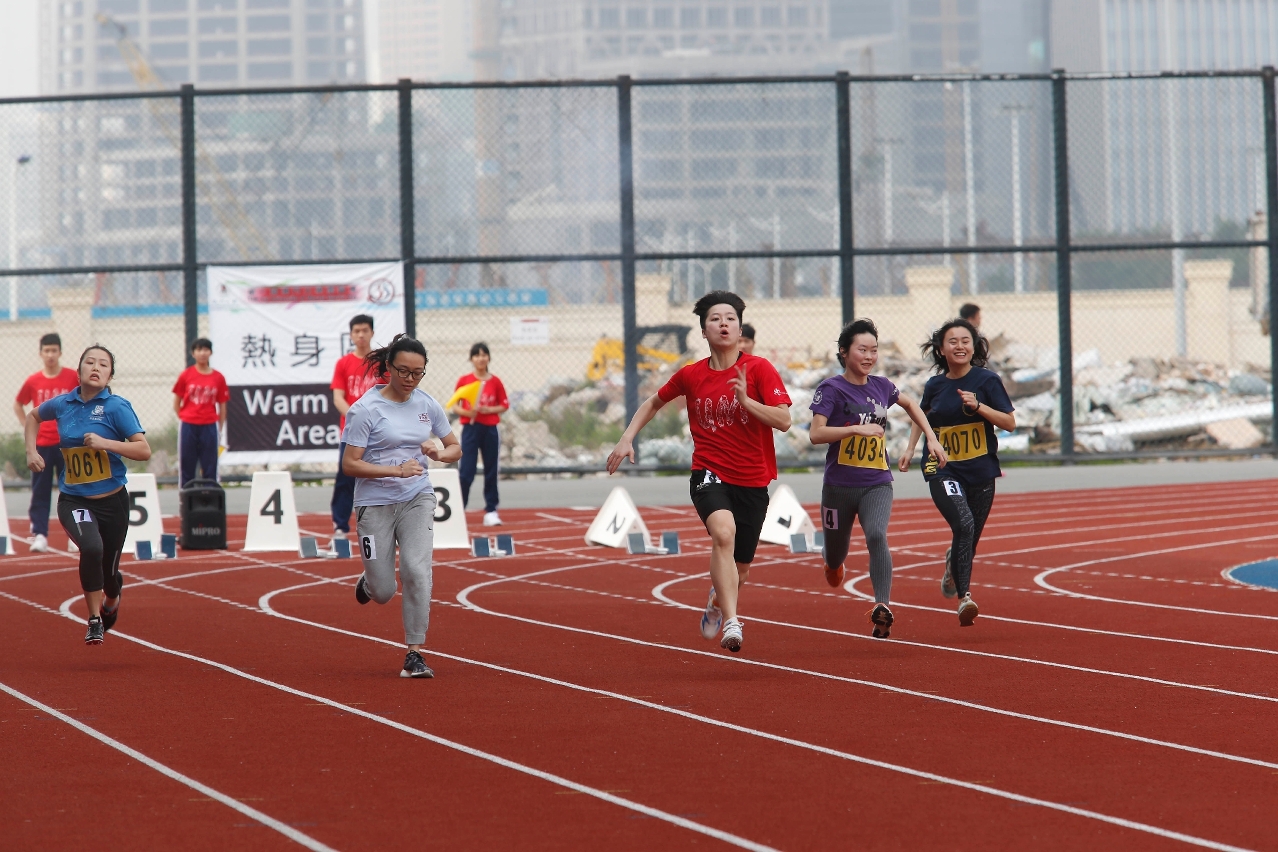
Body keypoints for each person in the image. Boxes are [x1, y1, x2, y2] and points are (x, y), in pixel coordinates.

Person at [607, 290, 792, 653]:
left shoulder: (759, 369)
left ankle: (717, 600)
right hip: (709, 472)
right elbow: (653, 402)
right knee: (723, 532)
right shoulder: (691, 375)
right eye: (715, 319)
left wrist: (746, 401)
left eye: (730, 319)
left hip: (753, 478)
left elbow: (784, 421)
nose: (723, 324)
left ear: (740, 329)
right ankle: (733, 622)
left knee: (741, 571)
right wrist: (627, 437)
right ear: (704, 331)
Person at [808, 319, 948, 638]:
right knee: (834, 558)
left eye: (874, 350)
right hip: (838, 488)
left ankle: (881, 606)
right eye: (863, 349)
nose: (870, 356)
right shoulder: (831, 388)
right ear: (844, 352)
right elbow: (816, 434)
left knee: (876, 535)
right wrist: (855, 428)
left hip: (876, 482)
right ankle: (832, 563)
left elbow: (912, 404)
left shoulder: (883, 386)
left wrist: (930, 438)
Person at [343, 334, 461, 678]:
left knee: (416, 570)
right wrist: (394, 470)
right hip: (374, 502)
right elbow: (351, 464)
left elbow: (455, 448)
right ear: (388, 368)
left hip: (417, 497)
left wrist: (439, 452)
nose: (410, 380)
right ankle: (369, 582)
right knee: (383, 591)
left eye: (418, 373)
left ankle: (414, 652)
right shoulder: (365, 409)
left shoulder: (427, 405)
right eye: (404, 372)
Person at [24, 345, 151, 645]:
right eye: (89, 362)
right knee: (91, 548)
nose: (95, 367)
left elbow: (143, 450)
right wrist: (31, 451)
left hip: (112, 502)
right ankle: (94, 619)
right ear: (79, 370)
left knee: (109, 573)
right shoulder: (63, 404)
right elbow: (32, 416)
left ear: (110, 375)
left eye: (103, 364)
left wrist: (107, 443)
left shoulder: (117, 407)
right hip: (74, 500)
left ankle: (112, 599)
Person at [901, 318, 1016, 627]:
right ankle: (965, 598)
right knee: (963, 523)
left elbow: (1009, 423)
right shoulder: (935, 385)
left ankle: (954, 563)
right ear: (941, 349)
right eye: (953, 342)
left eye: (966, 341)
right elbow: (920, 416)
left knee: (970, 538)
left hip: (981, 470)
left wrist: (979, 407)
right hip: (942, 468)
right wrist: (912, 448)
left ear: (974, 346)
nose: (960, 346)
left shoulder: (987, 381)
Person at [14, 333, 79, 553]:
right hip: (42, 444)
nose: (50, 354)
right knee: (40, 491)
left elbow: (84, 400)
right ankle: (40, 534)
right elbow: (18, 404)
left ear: (60, 352)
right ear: (41, 353)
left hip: (67, 443)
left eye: (54, 350)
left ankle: (75, 534)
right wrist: (28, 429)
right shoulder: (33, 381)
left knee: (71, 490)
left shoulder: (72, 377)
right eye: (46, 351)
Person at [449, 342, 509, 527]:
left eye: (484, 355)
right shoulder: (465, 380)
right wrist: (468, 413)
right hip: (471, 429)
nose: (481, 358)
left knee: (491, 470)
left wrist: (487, 409)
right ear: (471, 359)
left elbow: (504, 405)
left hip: (490, 429)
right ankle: (460, 508)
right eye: (477, 355)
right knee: (466, 471)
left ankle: (491, 510)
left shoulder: (495, 381)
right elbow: (455, 404)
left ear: (488, 358)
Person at [331, 314, 378, 546]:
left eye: (365, 330)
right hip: (351, 432)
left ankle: (388, 526)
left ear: (372, 333)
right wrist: (355, 416)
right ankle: (340, 525)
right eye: (356, 331)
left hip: (378, 432)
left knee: (383, 477)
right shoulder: (343, 364)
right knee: (345, 477)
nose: (361, 335)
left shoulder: (381, 363)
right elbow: (338, 397)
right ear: (350, 335)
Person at [172, 337, 229, 486]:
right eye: (199, 350)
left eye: (205, 349)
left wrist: (219, 428)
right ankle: (185, 499)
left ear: (210, 352)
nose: (202, 353)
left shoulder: (218, 377)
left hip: (209, 424)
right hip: (189, 424)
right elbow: (177, 402)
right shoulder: (186, 375)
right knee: (187, 464)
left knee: (210, 465)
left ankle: (210, 500)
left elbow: (222, 405)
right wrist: (185, 417)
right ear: (193, 353)